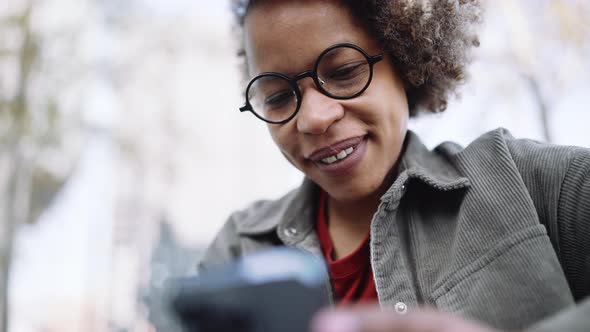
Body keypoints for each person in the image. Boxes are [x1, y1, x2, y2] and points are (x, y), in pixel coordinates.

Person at [197, 0, 590, 331]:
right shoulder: (240, 248)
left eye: (344, 72)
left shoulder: (528, 184)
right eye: (279, 97)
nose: (314, 118)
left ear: (406, 59)